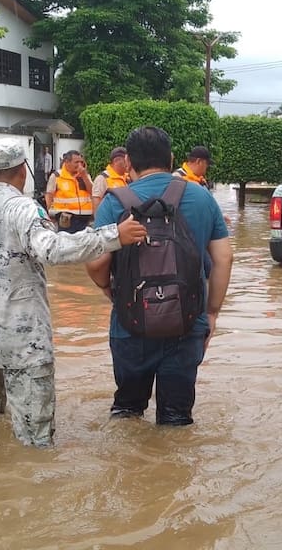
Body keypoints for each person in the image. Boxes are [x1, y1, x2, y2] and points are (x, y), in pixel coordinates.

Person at [0, 138, 146, 447]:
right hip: (24, 342)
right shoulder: (23, 208)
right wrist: (114, 235)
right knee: (35, 441)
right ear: (23, 172)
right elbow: (52, 249)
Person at [87, 126, 233, 425]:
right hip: (187, 323)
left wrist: (107, 288)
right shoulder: (202, 197)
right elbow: (224, 258)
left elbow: (96, 263)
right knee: (176, 420)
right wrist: (212, 313)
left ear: (128, 161)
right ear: (171, 158)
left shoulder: (114, 202)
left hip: (130, 324)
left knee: (127, 413)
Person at [44, 150, 94, 233]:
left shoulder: (85, 175)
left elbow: (93, 192)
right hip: (66, 219)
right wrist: (50, 213)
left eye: (81, 162)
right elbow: (49, 195)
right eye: (76, 162)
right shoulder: (57, 176)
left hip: (85, 219)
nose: (80, 165)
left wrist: (84, 176)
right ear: (67, 162)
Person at [91, 146, 129, 214]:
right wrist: (98, 219)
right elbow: (96, 202)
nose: (128, 163)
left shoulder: (128, 178)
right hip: (109, 218)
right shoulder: (103, 178)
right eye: (126, 160)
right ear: (116, 161)